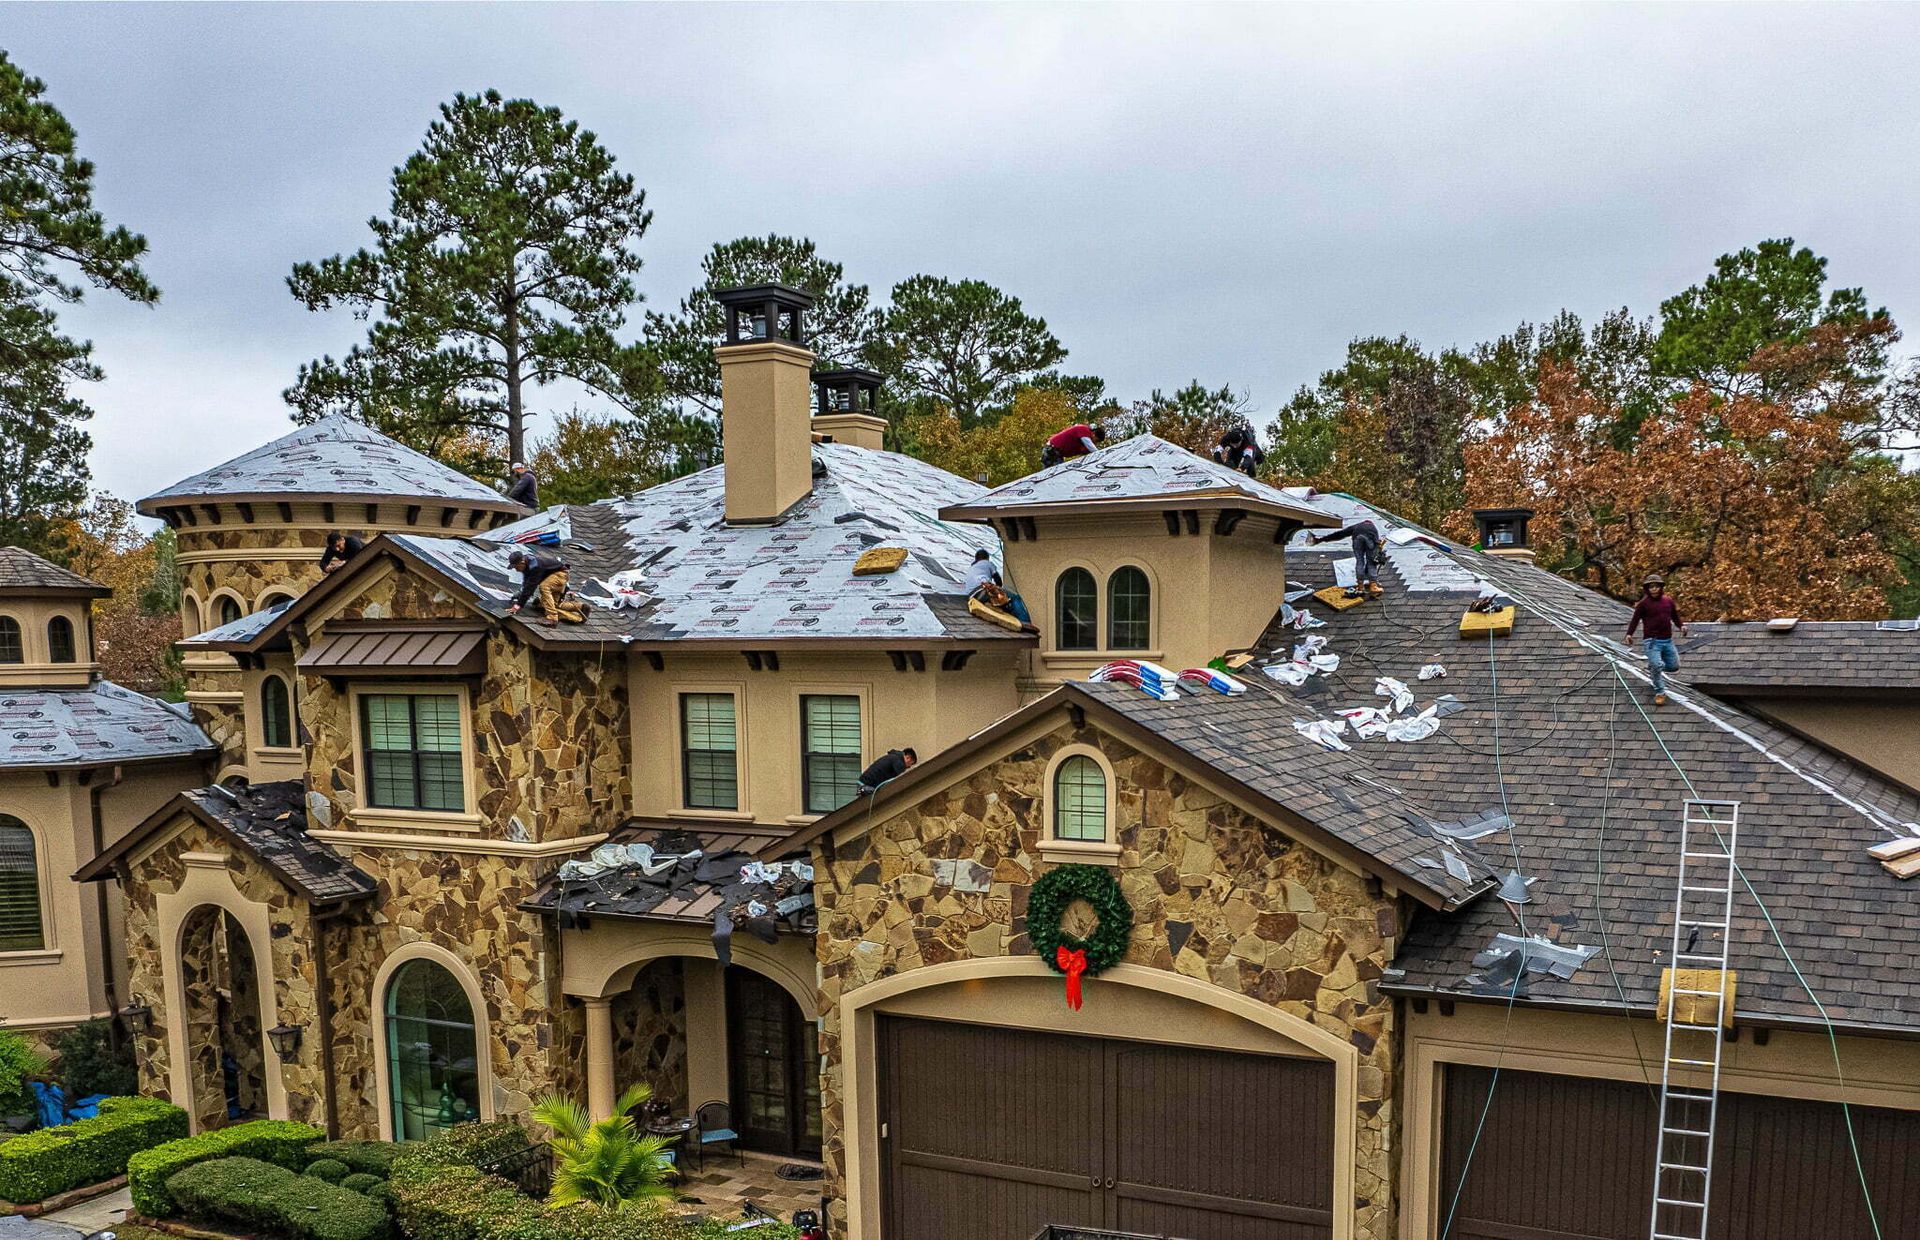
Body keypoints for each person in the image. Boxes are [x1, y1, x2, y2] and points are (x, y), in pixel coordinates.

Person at [1626, 573, 1687, 705]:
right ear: (1647, 589)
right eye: (1651, 587)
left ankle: (1653, 668)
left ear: (1661, 587)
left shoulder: (1668, 601)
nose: (1654, 589)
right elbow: (1635, 620)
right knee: (1658, 665)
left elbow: (1675, 617)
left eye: (1656, 586)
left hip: (1667, 640)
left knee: (1674, 666)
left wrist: (1681, 626)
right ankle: (1660, 691)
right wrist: (1629, 634)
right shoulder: (1643, 604)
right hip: (1652, 641)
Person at [506, 548, 586, 625]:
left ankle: (552, 618)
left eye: (516, 567)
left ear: (522, 562)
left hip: (560, 574)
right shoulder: (527, 564)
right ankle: (580, 607)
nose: (516, 570)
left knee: (544, 587)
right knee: (551, 605)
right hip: (554, 577)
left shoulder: (535, 566)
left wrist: (518, 605)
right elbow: (527, 583)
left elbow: (531, 587)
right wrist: (521, 593)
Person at [1309, 519, 1384, 597]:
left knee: (1360, 561)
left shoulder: (1356, 526)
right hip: (1371, 539)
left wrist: (1322, 539)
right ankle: (1373, 586)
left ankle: (1360, 587)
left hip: (1357, 539)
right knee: (1371, 562)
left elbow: (1340, 534)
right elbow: (1375, 550)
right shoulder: (1373, 528)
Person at [963, 549, 1034, 626]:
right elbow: (998, 580)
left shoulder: (971, 567)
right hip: (982, 590)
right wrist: (999, 591)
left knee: (1001, 601)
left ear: (976, 558)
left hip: (972, 597)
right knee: (1014, 598)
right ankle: (1025, 622)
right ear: (987, 558)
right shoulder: (988, 563)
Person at [1041, 422, 1106, 468]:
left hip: (1057, 453)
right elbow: (1091, 447)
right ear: (1094, 433)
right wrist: (1102, 455)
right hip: (1052, 450)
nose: (1096, 443)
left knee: (1054, 472)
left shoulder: (1084, 445)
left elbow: (1087, 456)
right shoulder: (1084, 430)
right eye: (1097, 440)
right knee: (1055, 473)